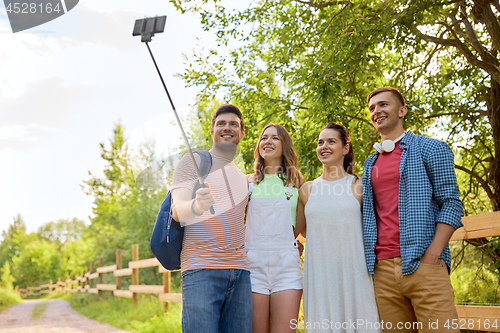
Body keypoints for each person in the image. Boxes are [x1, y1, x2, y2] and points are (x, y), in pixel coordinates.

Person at [363, 87, 464, 333]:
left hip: (424, 265)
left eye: (383, 105)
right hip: (382, 271)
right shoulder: (370, 163)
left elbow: (451, 203)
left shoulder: (430, 148)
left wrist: (432, 256)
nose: (377, 111)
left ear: (402, 111)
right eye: (372, 108)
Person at [171, 104, 251, 333]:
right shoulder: (194, 161)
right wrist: (197, 206)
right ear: (212, 130)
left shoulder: (242, 177)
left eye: (234, 124)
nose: (228, 128)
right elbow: (178, 210)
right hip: (201, 270)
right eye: (221, 123)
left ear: (242, 132)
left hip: (241, 274)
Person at [296, 122, 380, 333]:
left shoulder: (359, 185)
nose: (324, 146)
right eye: (320, 142)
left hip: (355, 276)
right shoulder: (307, 190)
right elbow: (294, 231)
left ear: (345, 148)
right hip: (320, 278)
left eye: (331, 141)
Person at [245, 124, 304, 333]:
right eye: (264, 138)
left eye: (275, 138)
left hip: (287, 267)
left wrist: (289, 243)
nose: (268, 141)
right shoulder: (248, 184)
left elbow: (303, 225)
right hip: (253, 267)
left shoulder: (296, 181)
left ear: (284, 145)